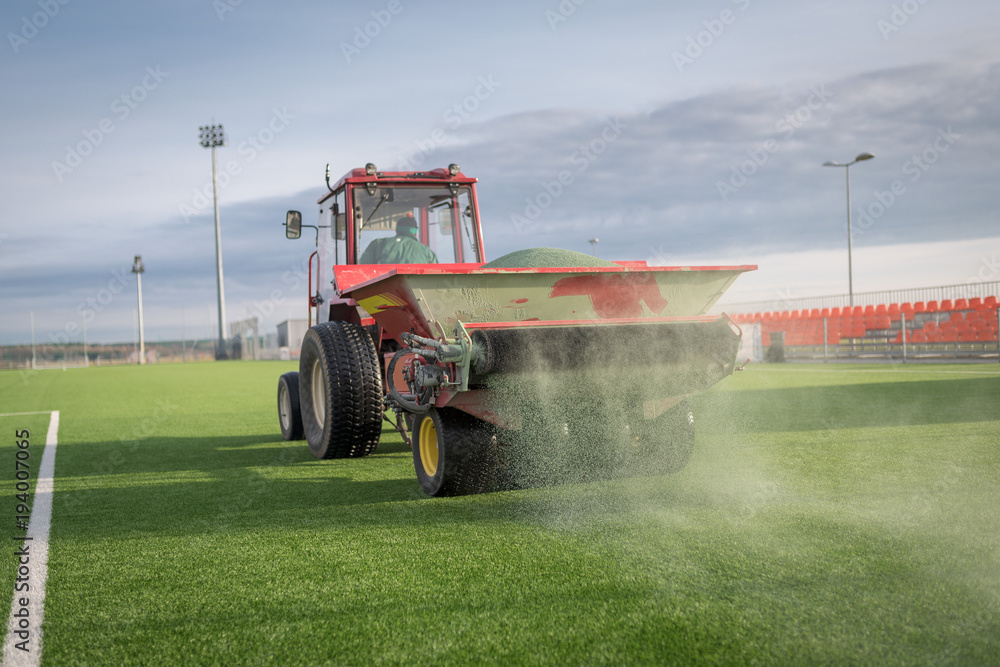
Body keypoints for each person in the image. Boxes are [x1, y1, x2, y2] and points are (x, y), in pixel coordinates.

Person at [358, 214, 438, 264]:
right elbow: (436, 277)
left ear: (396, 231)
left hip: (383, 290)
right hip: (416, 290)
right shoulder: (426, 252)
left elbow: (362, 269)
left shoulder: (378, 244)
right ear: (416, 233)